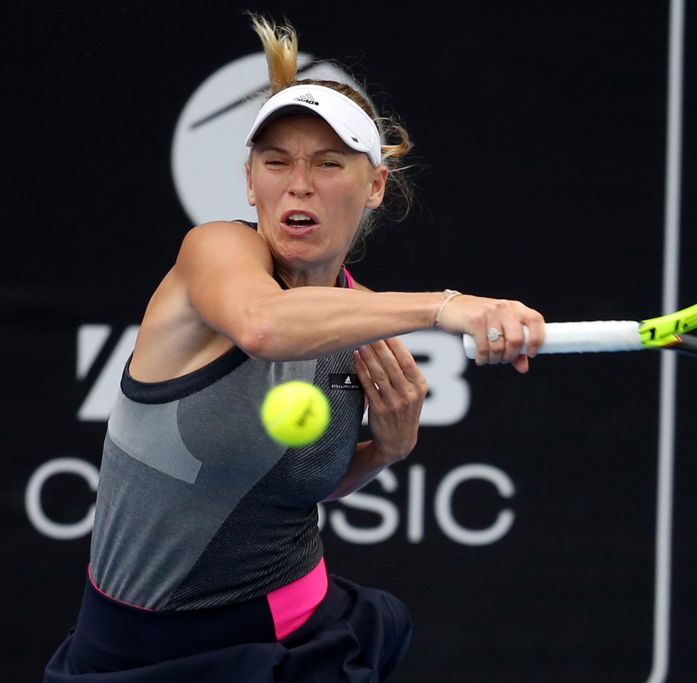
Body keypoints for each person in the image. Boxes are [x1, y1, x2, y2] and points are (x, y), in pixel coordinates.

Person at [44, 14, 544, 683]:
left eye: (328, 163)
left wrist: (385, 451)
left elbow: (280, 488)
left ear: (374, 187)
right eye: (276, 162)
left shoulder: (356, 322)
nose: (298, 183)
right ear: (251, 183)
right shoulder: (214, 253)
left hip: (303, 634)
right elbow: (261, 322)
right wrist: (446, 307)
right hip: (139, 653)